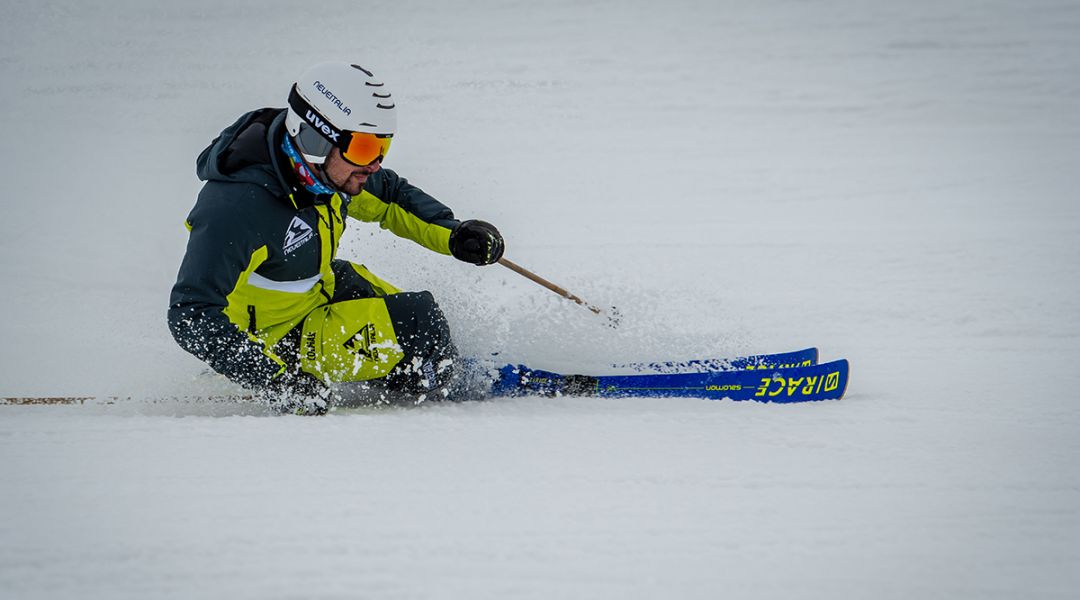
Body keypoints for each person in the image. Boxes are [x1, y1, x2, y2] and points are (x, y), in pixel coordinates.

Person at [168, 62, 504, 415]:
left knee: (406, 310)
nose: (373, 164)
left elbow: (390, 198)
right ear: (315, 137)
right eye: (363, 149)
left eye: (381, 148)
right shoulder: (235, 208)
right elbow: (190, 313)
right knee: (419, 322)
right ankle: (443, 387)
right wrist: (276, 382)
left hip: (314, 291)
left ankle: (427, 367)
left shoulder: (328, 171)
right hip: (274, 341)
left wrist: (456, 235)